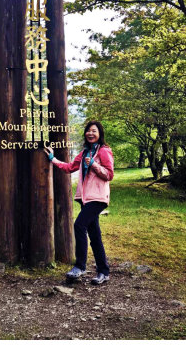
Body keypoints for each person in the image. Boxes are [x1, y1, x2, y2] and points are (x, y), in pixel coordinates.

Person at [44, 121, 114, 285]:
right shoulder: (84, 153)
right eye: (88, 131)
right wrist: (53, 159)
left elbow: (109, 174)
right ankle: (103, 272)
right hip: (86, 198)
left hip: (98, 198)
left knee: (79, 225)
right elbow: (69, 167)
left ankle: (80, 266)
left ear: (100, 134)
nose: (90, 133)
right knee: (94, 235)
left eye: (94, 131)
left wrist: (94, 164)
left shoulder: (104, 151)